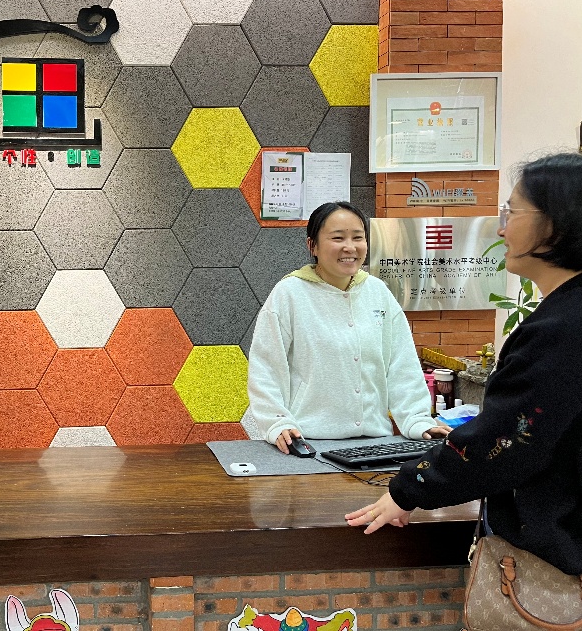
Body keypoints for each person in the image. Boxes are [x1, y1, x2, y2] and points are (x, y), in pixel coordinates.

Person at [346, 151, 582, 576]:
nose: (501, 227)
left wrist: (410, 487)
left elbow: (508, 439)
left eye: (512, 212)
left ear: (557, 223)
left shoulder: (563, 328)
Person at [248, 201, 449, 454]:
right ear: (312, 245)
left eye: (358, 237)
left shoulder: (377, 292)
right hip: (309, 443)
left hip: (375, 443)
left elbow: (402, 366)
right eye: (338, 238)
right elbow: (266, 368)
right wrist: (277, 423)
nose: (350, 247)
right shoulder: (289, 293)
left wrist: (418, 420)